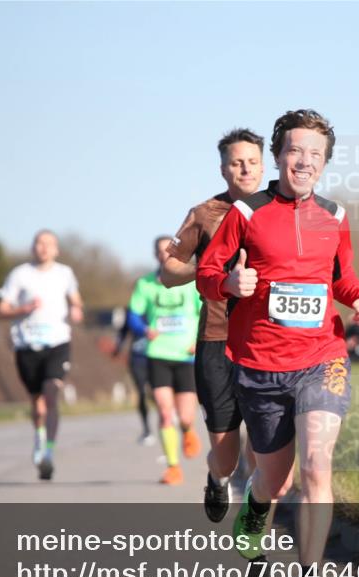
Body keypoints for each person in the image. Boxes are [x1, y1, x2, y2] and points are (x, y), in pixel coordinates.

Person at [197, 109, 359, 577]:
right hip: (259, 364)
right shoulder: (247, 213)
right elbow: (208, 271)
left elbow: (342, 279)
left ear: (325, 162)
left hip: (322, 358)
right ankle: (256, 507)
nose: (305, 161)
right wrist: (228, 285)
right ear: (278, 156)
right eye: (296, 151)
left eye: (315, 154)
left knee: (318, 466)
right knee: (274, 482)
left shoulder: (335, 216)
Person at [161, 129, 265, 520]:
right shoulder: (204, 214)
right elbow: (167, 272)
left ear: (263, 166)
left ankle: (255, 531)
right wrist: (207, 270)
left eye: (253, 162)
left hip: (265, 341)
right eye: (237, 162)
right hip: (217, 340)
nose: (246, 169)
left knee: (262, 450)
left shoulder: (278, 209)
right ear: (223, 169)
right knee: (227, 456)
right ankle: (217, 478)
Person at [0, 229, 83, 480]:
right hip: (26, 345)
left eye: (48, 244)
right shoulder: (19, 274)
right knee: (37, 402)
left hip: (57, 342)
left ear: (56, 249)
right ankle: (39, 437)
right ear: (33, 247)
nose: (43, 247)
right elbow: (1, 310)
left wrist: (76, 310)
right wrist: (23, 309)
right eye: (39, 243)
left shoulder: (65, 273)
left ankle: (49, 452)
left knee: (51, 393)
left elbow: (76, 301)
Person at [127, 236, 203, 485]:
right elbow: (133, 315)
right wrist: (143, 330)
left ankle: (188, 431)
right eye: (160, 251)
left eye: (169, 249)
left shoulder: (191, 281)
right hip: (157, 354)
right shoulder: (146, 284)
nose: (165, 254)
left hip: (187, 355)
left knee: (186, 417)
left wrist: (199, 340)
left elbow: (206, 311)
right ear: (155, 255)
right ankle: (173, 467)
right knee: (164, 411)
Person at [112, 309, 157, 446]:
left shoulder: (156, 305)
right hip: (137, 359)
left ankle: (167, 418)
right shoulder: (131, 311)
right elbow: (123, 332)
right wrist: (118, 348)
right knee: (141, 392)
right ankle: (147, 429)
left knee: (156, 392)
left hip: (157, 358)